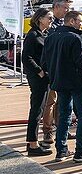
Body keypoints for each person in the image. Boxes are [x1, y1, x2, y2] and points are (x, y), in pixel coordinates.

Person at [41, 10, 82, 161]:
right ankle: (80, 150)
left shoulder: (51, 36)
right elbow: (81, 63)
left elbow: (44, 61)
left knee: (64, 115)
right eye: (80, 21)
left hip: (59, 81)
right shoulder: (74, 38)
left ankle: (61, 149)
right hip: (77, 83)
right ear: (72, 21)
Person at [38, 0, 72, 145]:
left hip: (63, 69)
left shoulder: (62, 24)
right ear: (56, 7)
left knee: (62, 101)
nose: (67, 10)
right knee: (51, 101)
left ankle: (61, 128)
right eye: (65, 7)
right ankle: (47, 130)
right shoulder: (50, 26)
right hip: (52, 68)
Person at [21, 9, 53, 156]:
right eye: (49, 18)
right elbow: (26, 57)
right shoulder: (33, 35)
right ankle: (32, 144)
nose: (51, 20)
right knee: (37, 109)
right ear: (40, 19)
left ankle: (32, 141)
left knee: (39, 109)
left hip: (44, 77)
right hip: (38, 78)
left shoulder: (43, 34)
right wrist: (39, 71)